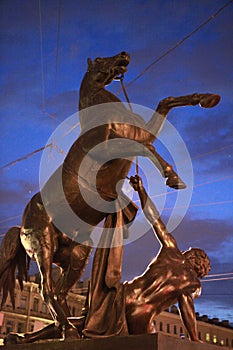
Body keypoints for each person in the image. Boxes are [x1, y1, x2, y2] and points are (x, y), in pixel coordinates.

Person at [124, 175, 210, 342]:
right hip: (141, 314)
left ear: (193, 257)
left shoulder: (171, 247)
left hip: (126, 294)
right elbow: (186, 306)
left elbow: (154, 219)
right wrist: (194, 338)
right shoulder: (191, 283)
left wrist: (141, 190)